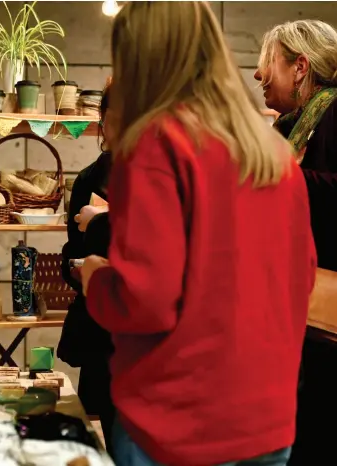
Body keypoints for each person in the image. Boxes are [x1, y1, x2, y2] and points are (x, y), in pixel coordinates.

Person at [80, 2, 317, 466]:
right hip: (266, 420)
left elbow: (146, 299)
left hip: (176, 423)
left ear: (137, 57)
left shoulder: (155, 143)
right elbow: (301, 277)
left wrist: (95, 279)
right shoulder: (272, 150)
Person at [254, 20, 337, 465]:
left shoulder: (334, 115)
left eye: (267, 62)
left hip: (325, 327)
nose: (257, 74)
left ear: (300, 67)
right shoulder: (291, 126)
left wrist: (280, 178)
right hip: (294, 321)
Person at [58, 82, 115, 455]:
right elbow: (73, 251)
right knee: (109, 431)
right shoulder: (90, 178)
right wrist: (74, 269)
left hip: (148, 333)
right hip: (101, 328)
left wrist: (102, 222)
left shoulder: (164, 172)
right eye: (114, 118)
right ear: (103, 123)